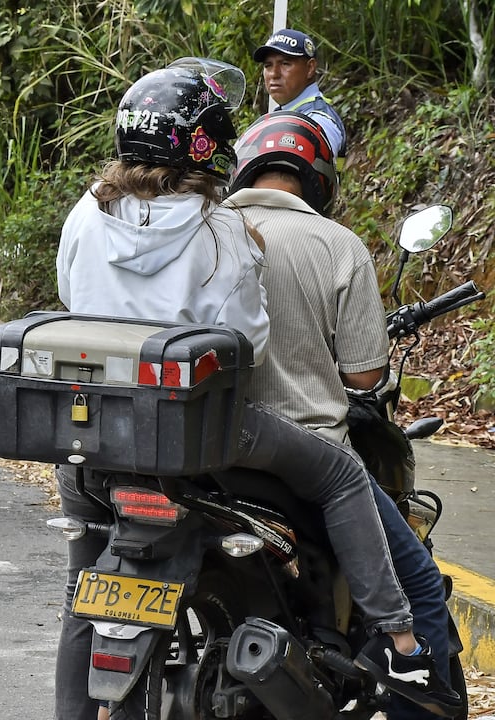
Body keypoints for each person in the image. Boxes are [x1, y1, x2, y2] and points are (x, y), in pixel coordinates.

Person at [52, 58, 461, 720]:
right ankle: (402, 644)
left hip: (98, 433)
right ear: (208, 145)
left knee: (82, 588)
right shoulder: (218, 228)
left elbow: (72, 298)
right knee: (342, 477)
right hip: (202, 434)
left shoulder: (86, 212)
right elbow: (247, 345)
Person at [226, 111, 458, 720]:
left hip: (208, 448)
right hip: (310, 451)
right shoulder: (337, 244)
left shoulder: (206, 232)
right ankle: (419, 696)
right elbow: (363, 377)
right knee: (419, 582)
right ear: (319, 181)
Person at [254, 28, 347, 156]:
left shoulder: (318, 122)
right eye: (268, 65)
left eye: (285, 64)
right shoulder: (284, 114)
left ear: (310, 68)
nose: (274, 74)